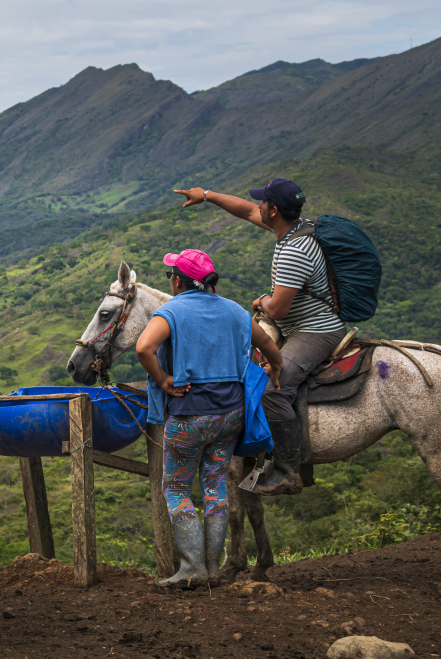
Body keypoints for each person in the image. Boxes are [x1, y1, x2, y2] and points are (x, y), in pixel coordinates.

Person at [175, 179, 347, 496]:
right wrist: (207, 196)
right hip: (300, 324)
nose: (259, 207)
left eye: (263, 203)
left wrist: (259, 302)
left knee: (273, 388)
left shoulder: (295, 251)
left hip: (314, 330)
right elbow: (245, 210)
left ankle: (288, 470)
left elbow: (278, 309)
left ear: (274, 210)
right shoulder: (296, 228)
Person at [136, 249, 282, 589]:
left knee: (175, 487)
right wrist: (275, 368)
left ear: (176, 280)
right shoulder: (234, 311)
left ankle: (191, 569)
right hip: (230, 415)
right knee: (214, 485)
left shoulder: (170, 311)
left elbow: (144, 348)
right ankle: (214, 569)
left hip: (189, 415)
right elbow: (270, 350)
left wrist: (163, 380)